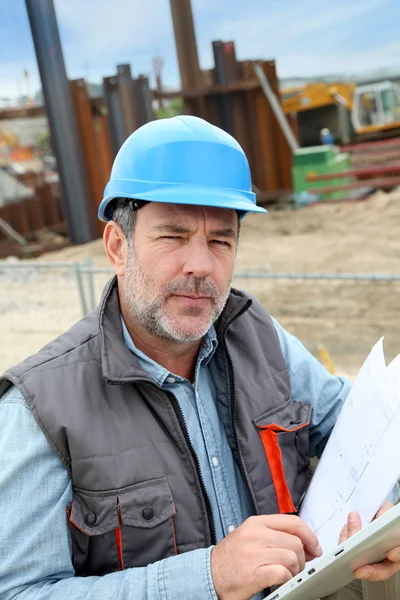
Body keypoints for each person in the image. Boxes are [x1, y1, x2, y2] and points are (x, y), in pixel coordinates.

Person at [0, 116, 399, 600]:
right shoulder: (40, 408)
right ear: (117, 246)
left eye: (220, 241)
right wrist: (208, 576)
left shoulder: (260, 338)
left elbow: (363, 432)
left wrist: (385, 512)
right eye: (173, 236)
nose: (201, 266)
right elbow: (20, 592)